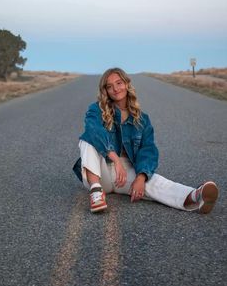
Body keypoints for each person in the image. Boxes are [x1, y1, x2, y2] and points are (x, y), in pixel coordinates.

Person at [73, 68, 219, 214]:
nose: (115, 89)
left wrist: (141, 177)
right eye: (109, 86)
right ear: (105, 91)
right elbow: (94, 131)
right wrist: (115, 159)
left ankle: (195, 196)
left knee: (154, 182)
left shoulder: (142, 119)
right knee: (87, 138)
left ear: (127, 84)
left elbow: (148, 149)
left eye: (119, 83)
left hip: (123, 175)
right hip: (99, 172)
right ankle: (96, 193)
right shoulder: (96, 109)